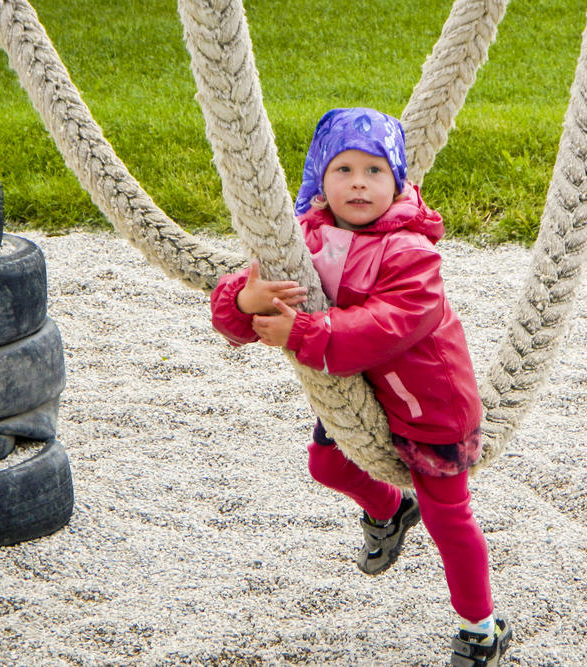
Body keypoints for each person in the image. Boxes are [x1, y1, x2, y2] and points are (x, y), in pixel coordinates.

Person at [210, 107, 512, 666]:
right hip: (361, 398)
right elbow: (243, 297)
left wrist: (303, 331)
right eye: (343, 169)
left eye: (374, 170)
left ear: (397, 181)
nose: (357, 182)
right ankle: (391, 510)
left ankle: (481, 625)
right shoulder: (307, 236)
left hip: (431, 408)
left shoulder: (410, 249)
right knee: (326, 465)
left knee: (450, 518)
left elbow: (392, 323)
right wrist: (245, 302)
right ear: (321, 181)